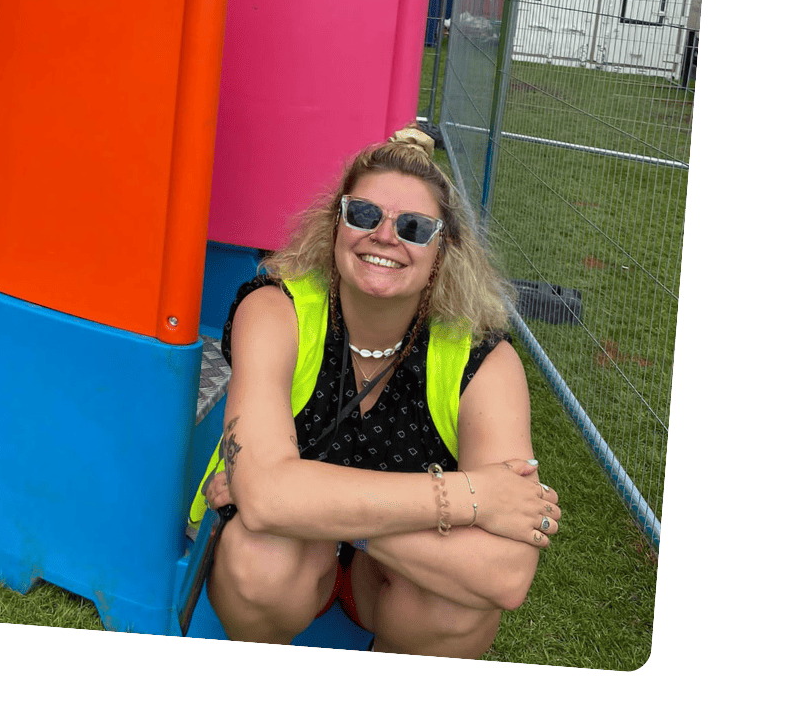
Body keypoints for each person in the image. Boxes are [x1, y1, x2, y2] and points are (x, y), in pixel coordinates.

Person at [190, 126, 560, 657]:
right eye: (364, 214)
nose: (384, 236)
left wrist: (327, 518)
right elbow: (268, 501)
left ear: (443, 249)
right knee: (258, 556)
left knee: (461, 606)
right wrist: (473, 498)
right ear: (337, 223)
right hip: (294, 556)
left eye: (414, 227)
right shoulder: (275, 310)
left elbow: (506, 576)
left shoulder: (484, 361)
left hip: (393, 575)